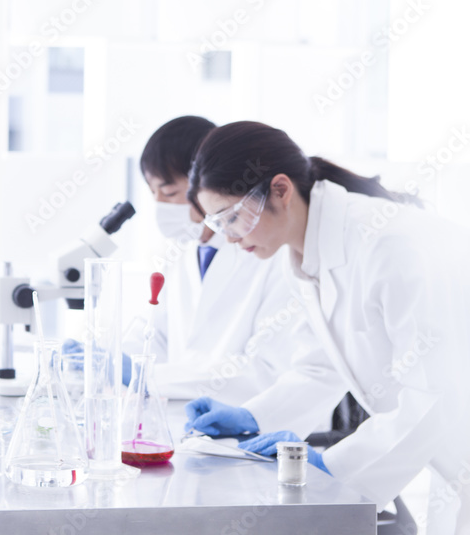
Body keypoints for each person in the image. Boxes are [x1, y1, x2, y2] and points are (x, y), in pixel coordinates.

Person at [184, 121, 470, 535]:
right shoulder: (307, 253)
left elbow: (435, 394)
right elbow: (322, 364)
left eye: (232, 217)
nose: (228, 238)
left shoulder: (387, 243)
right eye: (217, 223)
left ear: (280, 190)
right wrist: (254, 414)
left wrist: (334, 465)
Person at [126, 116, 339, 408]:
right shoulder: (178, 253)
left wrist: (150, 377)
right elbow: (154, 333)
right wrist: (117, 363)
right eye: (154, 194)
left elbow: (270, 368)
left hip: (251, 420)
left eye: (171, 192)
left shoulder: (270, 245)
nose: (161, 206)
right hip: (181, 411)